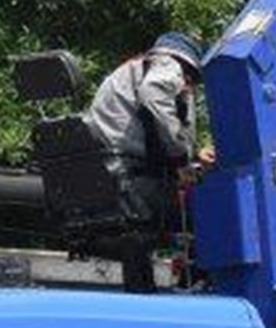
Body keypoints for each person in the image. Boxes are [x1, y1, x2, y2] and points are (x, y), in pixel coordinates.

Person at [83, 30, 213, 290]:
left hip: (110, 173)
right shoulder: (168, 64)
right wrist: (182, 156)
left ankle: (151, 288)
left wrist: (191, 154)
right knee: (211, 212)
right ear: (187, 65)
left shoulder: (133, 69)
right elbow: (153, 93)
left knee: (145, 235)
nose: (188, 87)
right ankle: (201, 282)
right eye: (191, 80)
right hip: (131, 177)